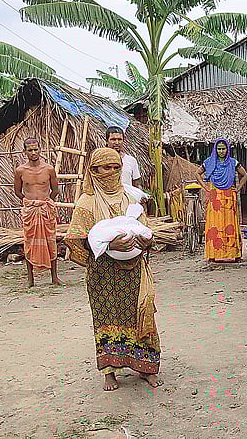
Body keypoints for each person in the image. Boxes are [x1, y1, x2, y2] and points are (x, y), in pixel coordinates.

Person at [64, 148, 162, 391]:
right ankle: (110, 371)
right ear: (93, 170)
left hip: (134, 270)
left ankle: (146, 367)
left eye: (116, 167)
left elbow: (145, 228)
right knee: (107, 319)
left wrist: (145, 242)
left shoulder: (130, 198)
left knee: (141, 312)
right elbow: (75, 239)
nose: (111, 172)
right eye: (105, 168)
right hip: (103, 273)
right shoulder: (86, 202)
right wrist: (108, 245)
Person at [14, 137, 63, 288]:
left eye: (36, 149)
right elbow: (17, 191)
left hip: (46, 209)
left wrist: (45, 202)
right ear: (25, 152)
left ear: (40, 150)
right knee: (29, 242)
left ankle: (54, 277)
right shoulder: (20, 171)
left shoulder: (49, 169)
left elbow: (55, 190)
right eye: (30, 150)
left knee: (51, 241)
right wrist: (30, 203)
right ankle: (31, 279)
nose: (34, 153)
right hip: (30, 210)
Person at [196, 138, 247, 262]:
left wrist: (238, 188)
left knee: (230, 223)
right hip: (214, 196)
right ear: (215, 149)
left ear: (227, 149)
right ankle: (214, 254)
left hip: (229, 196)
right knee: (215, 224)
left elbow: (245, 175)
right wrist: (205, 187)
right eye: (219, 149)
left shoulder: (233, 162)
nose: (221, 151)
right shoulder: (209, 162)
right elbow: (197, 174)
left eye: (223, 149)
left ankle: (233, 253)